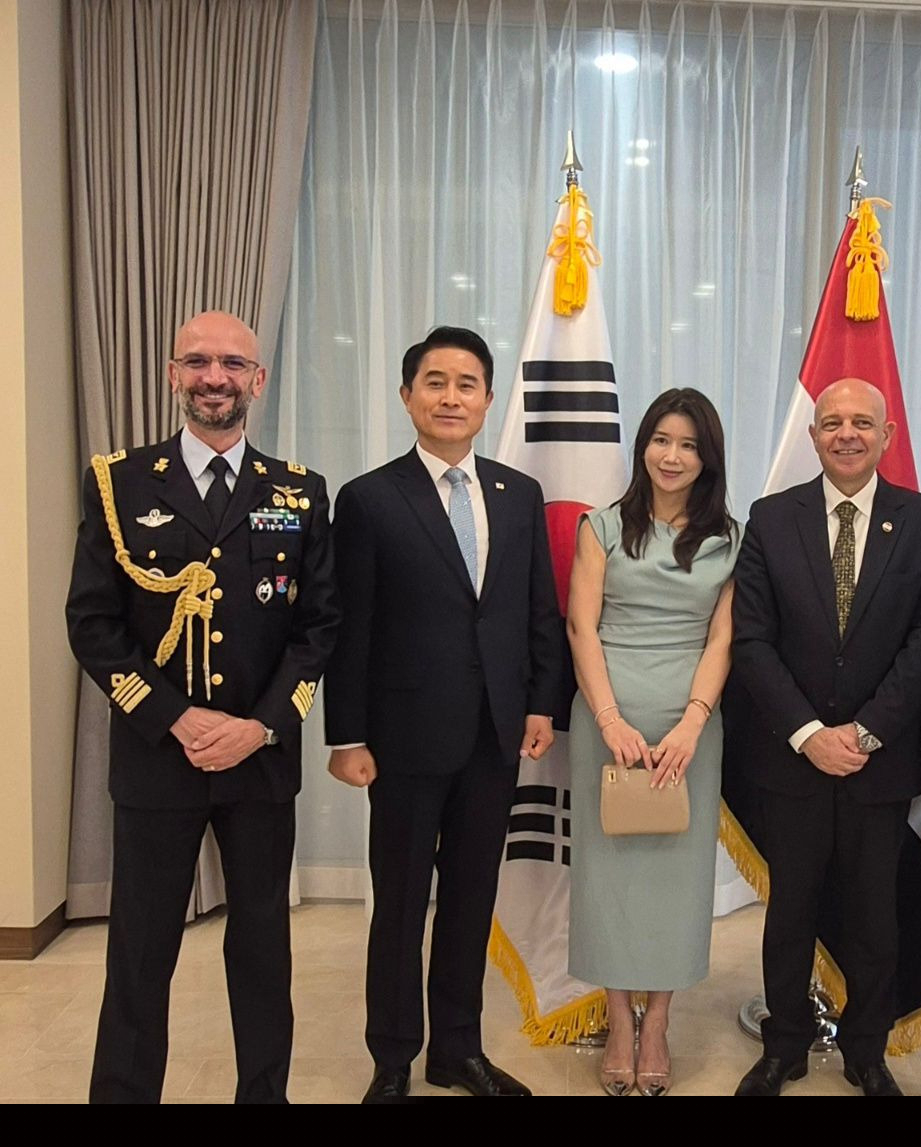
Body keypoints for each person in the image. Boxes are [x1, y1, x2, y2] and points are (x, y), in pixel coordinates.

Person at [66, 311, 340, 1103]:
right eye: (198, 362)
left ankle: (265, 1095)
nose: (213, 376)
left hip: (260, 760)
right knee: (141, 951)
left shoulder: (299, 491)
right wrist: (174, 718)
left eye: (231, 363)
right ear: (172, 373)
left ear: (257, 379)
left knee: (262, 949)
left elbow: (318, 626)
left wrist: (260, 724)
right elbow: (91, 622)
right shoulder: (119, 483)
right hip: (159, 758)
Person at [324, 326, 563, 1101]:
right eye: (435, 381)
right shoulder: (367, 499)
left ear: (489, 399)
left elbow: (538, 612)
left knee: (470, 900)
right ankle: (392, 1056)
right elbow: (348, 625)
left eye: (467, 383)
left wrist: (541, 706)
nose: (451, 395)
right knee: (398, 906)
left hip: (494, 736)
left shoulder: (517, 494)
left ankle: (457, 1048)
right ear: (407, 396)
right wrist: (347, 734)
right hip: (400, 742)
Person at [732, 377, 921, 1097]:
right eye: (833, 422)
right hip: (791, 760)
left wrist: (862, 733)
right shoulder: (770, 518)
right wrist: (807, 732)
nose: (847, 433)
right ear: (813, 435)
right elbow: (752, 640)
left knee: (874, 916)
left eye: (863, 421)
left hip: (879, 762)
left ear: (887, 434)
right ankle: (785, 1046)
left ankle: (867, 1049)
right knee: (790, 912)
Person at [567, 389, 737, 1097]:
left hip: (689, 731)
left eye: (690, 445)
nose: (673, 455)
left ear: (708, 458)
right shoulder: (602, 526)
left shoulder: (732, 535)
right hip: (607, 721)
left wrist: (694, 721)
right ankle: (615, 1013)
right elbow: (582, 626)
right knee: (608, 873)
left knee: (676, 875)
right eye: (661, 439)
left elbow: (723, 636)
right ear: (642, 446)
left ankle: (659, 1020)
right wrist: (609, 720)